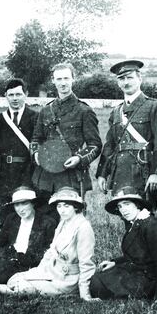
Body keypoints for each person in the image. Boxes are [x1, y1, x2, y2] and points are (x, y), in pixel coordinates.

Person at [0, 187, 97, 301]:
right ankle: (19, 288)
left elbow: (86, 263)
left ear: (76, 207)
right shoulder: (64, 223)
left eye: (67, 206)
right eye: (59, 206)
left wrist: (85, 293)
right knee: (15, 278)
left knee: (22, 285)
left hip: (67, 279)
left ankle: (17, 292)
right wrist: (40, 271)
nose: (62, 210)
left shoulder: (83, 227)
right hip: (52, 270)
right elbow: (51, 251)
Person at [96, 60, 157, 211]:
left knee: (145, 216)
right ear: (118, 83)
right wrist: (102, 173)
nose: (126, 82)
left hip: (143, 171)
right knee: (126, 214)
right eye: (121, 79)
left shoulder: (154, 106)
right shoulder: (116, 112)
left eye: (130, 77)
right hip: (120, 171)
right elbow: (110, 145)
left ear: (139, 79)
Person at [32, 63, 101, 210]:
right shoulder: (46, 110)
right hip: (46, 175)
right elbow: (36, 139)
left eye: (66, 78)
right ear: (53, 81)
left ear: (73, 79)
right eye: (59, 79)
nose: (63, 83)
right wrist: (36, 153)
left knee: (71, 219)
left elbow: (95, 145)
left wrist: (79, 158)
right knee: (45, 218)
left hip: (71, 175)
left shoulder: (84, 111)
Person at [89, 187, 157, 302]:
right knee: (96, 280)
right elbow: (139, 254)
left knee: (98, 285)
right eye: (120, 206)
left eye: (127, 204)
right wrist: (114, 262)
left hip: (147, 279)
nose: (123, 210)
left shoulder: (151, 225)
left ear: (137, 205)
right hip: (134, 272)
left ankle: (130, 296)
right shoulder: (135, 222)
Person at [0, 187, 56, 285]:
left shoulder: (47, 222)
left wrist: (30, 260)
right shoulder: (12, 219)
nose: (21, 209)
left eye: (24, 203)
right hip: (10, 259)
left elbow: (49, 250)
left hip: (33, 264)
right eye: (17, 205)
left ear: (33, 203)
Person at [0, 78, 38, 224]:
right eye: (11, 95)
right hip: (5, 174)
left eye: (18, 94)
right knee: (6, 216)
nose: (14, 98)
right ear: (5, 95)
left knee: (28, 212)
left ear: (26, 94)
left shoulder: (36, 117)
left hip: (28, 172)